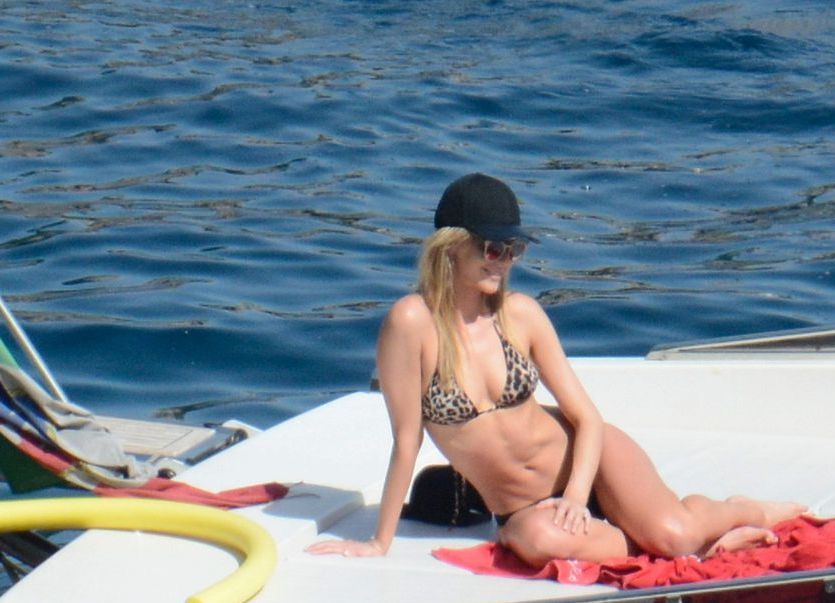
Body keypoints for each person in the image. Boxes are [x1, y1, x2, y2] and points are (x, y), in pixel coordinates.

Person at [307, 173, 803, 566]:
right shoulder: (411, 323)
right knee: (541, 542)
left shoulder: (519, 314)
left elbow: (586, 418)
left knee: (677, 536)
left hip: (591, 461)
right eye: (493, 248)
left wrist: (576, 498)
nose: (504, 261)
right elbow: (407, 441)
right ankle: (675, 542)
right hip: (521, 507)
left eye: (514, 250)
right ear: (452, 246)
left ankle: (744, 510)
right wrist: (379, 542)